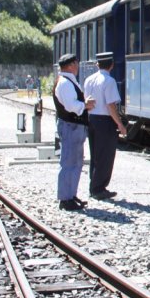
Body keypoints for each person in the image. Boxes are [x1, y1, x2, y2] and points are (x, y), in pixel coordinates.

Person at [53, 53, 95, 211]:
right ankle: (65, 198)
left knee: (75, 162)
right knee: (69, 163)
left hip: (73, 126)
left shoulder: (67, 81)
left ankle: (71, 194)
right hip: (70, 126)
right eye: (76, 64)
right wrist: (85, 105)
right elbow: (71, 106)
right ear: (71, 65)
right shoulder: (65, 83)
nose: (78, 67)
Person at [83, 52, 127, 200]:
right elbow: (111, 105)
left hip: (91, 118)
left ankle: (93, 186)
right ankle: (99, 188)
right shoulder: (109, 81)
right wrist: (119, 124)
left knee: (95, 154)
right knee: (105, 156)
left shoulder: (88, 80)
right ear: (112, 65)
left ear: (97, 64)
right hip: (105, 121)